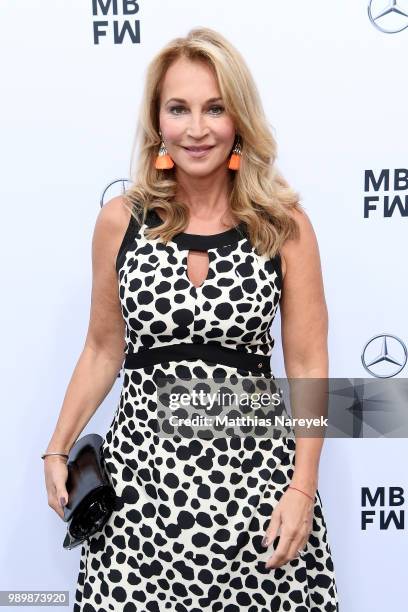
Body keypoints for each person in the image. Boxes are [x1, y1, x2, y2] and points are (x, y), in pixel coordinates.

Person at [43, 26, 339, 612]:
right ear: (158, 121)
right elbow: (104, 348)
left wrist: (302, 488)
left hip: (256, 496)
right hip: (138, 499)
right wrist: (57, 447)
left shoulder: (285, 226)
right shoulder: (119, 221)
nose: (196, 129)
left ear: (239, 121)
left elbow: (307, 364)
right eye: (178, 109)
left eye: (214, 108)